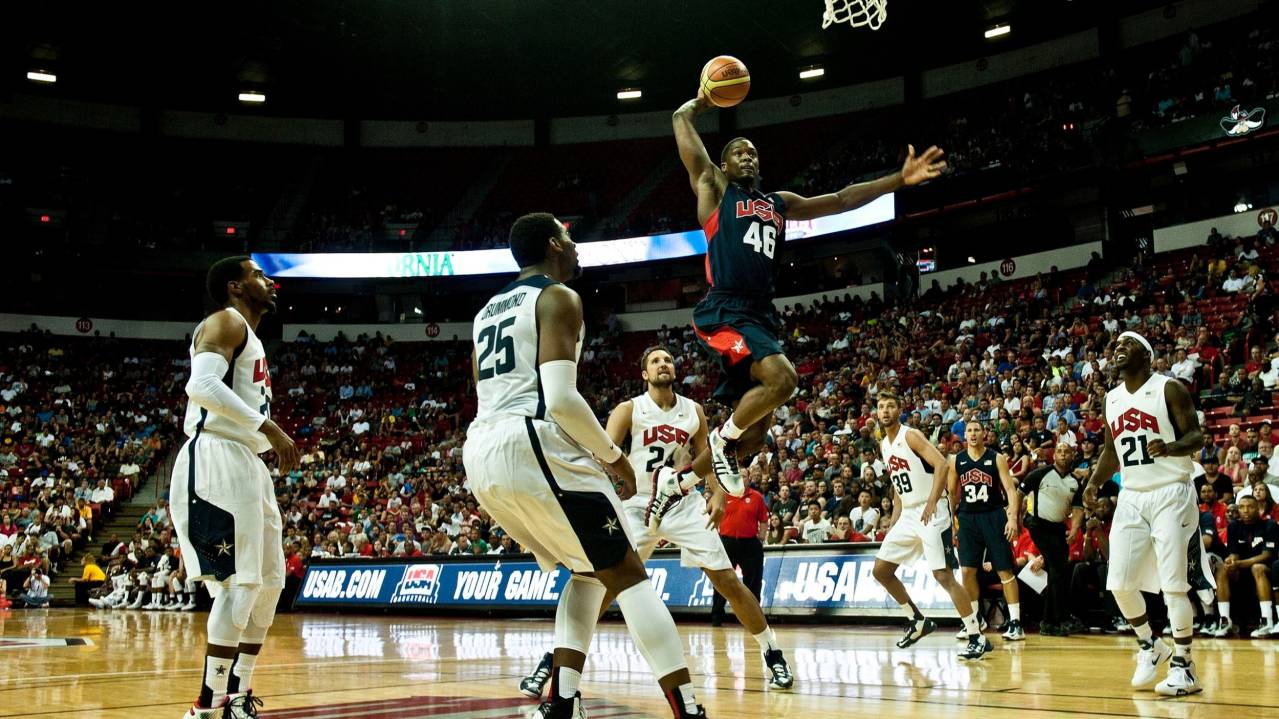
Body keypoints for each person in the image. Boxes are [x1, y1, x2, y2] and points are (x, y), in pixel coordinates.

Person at [463, 214, 706, 719]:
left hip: (481, 451)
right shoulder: (557, 297)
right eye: (569, 237)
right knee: (629, 573)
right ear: (554, 244)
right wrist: (616, 459)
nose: (576, 246)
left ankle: (564, 702)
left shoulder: (486, 311)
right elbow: (559, 399)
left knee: (588, 573)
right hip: (530, 440)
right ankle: (688, 707)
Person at [651, 93, 945, 510]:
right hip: (726, 309)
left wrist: (898, 179)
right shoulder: (715, 188)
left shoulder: (778, 203)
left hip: (760, 315)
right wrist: (694, 106)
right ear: (724, 165)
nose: (748, 156)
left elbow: (842, 200)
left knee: (755, 436)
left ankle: (677, 483)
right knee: (784, 380)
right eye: (738, 152)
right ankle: (721, 442)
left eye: (753, 152)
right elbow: (684, 131)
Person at [520, 346, 792, 698]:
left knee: (727, 580)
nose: (664, 364)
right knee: (600, 588)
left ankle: (772, 652)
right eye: (655, 361)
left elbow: (710, 455)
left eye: (667, 360)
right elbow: (602, 452)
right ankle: (553, 661)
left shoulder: (693, 410)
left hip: (682, 502)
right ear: (644, 374)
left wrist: (717, 494)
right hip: (637, 505)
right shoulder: (629, 409)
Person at [171, 256, 299, 719]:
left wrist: (261, 434)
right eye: (258, 275)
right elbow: (202, 385)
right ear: (235, 286)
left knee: (269, 581)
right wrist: (269, 427)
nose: (269, 281)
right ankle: (208, 704)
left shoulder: (252, 337)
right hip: (216, 454)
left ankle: (238, 692)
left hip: (246, 460)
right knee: (237, 584)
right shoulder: (224, 321)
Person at [1084, 331, 1214, 696]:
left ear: (1145, 355)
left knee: (1174, 585)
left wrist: (1170, 447)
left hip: (1171, 491)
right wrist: (1094, 482)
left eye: (1127, 344)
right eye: (1115, 345)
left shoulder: (1169, 388)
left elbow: (1196, 436)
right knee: (1119, 583)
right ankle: (1150, 644)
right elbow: (1112, 450)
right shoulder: (1111, 398)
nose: (1118, 349)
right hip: (1132, 495)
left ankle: (1184, 666)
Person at [869, 391, 991, 660]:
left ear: (899, 410)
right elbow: (898, 484)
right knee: (881, 570)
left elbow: (942, 465)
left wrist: (932, 501)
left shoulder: (910, 435)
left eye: (890, 406)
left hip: (931, 510)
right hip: (909, 513)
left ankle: (976, 635)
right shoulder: (884, 444)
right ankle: (917, 620)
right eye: (881, 407)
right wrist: (894, 519)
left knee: (943, 575)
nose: (885, 411)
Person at [948, 423, 1025, 641]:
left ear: (984, 434)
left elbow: (1010, 490)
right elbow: (951, 494)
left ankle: (1016, 623)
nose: (973, 434)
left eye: (977, 430)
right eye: (969, 430)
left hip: (993, 515)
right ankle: (974, 621)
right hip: (967, 518)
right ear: (965, 435)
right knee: (967, 571)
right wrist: (951, 523)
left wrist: (1012, 518)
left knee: (1004, 570)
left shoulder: (997, 458)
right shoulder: (956, 460)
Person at [1020, 443, 1086, 635]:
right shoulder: (1040, 474)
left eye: (1067, 452)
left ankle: (1048, 622)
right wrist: (1013, 518)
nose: (1063, 455)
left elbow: (1078, 509)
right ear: (1054, 455)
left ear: (1073, 456)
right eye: (1059, 452)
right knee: (1058, 567)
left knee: (1059, 571)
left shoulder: (1075, 482)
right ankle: (1061, 618)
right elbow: (1019, 493)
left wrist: (1074, 529)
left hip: (1058, 527)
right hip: (1037, 524)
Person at [1202, 495, 1277, 637]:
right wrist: (1230, 561)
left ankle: (1267, 621)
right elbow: (1234, 553)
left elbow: (1267, 555)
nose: (1245, 510)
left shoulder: (1270, 525)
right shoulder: (1234, 526)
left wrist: (1239, 563)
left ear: (1258, 508)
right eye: (1242, 507)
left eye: (1250, 507)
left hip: (1266, 568)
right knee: (1222, 568)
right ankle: (1225, 620)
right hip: (1241, 569)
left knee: (1257, 568)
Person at [711, 472, 770, 625]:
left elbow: (764, 520)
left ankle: (753, 617)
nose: (741, 478)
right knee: (722, 580)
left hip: (750, 543)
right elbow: (713, 515)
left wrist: (761, 538)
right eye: (738, 476)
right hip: (727, 542)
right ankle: (717, 615)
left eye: (744, 476)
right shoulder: (724, 495)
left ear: (748, 479)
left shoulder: (757, 497)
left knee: (753, 581)